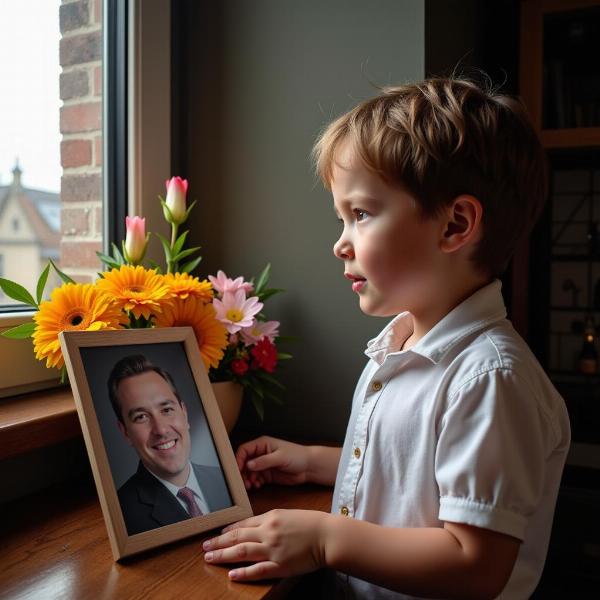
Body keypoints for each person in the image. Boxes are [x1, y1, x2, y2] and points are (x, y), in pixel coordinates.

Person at [201, 77, 571, 599]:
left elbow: (476, 563)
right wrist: (310, 461)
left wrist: (326, 538)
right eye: (341, 218)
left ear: (454, 225)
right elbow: (409, 473)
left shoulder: (490, 379)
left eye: (361, 214)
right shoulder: (396, 346)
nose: (340, 244)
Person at [108, 355, 231, 535]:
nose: (161, 429)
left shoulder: (225, 479)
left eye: (166, 410)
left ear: (184, 414)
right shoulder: (122, 514)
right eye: (141, 417)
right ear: (125, 431)